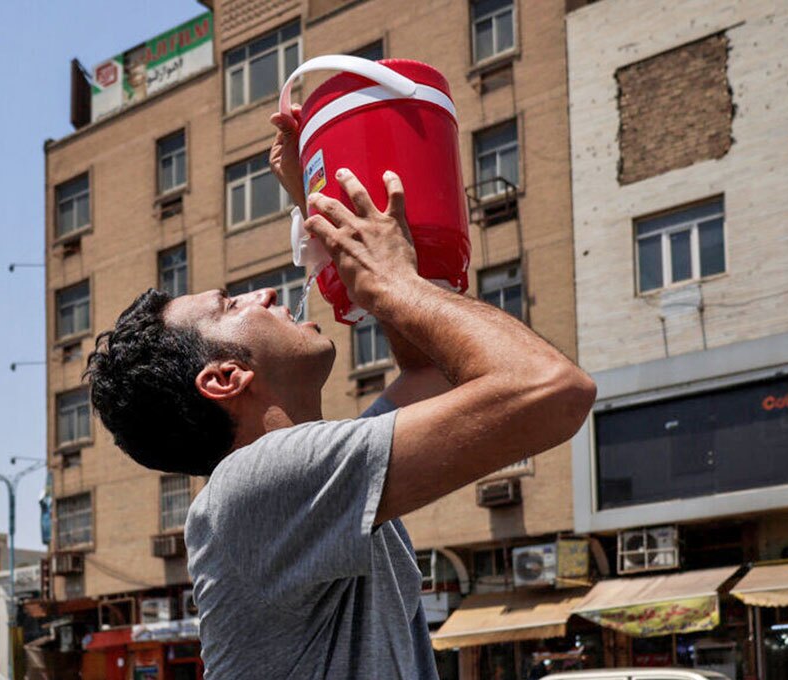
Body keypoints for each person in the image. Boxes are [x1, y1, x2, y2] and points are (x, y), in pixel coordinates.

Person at [84, 106, 596, 680]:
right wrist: (394, 283)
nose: (267, 294)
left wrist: (321, 210)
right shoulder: (258, 482)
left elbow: (433, 374)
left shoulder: (311, 476)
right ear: (225, 378)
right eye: (232, 306)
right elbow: (554, 389)